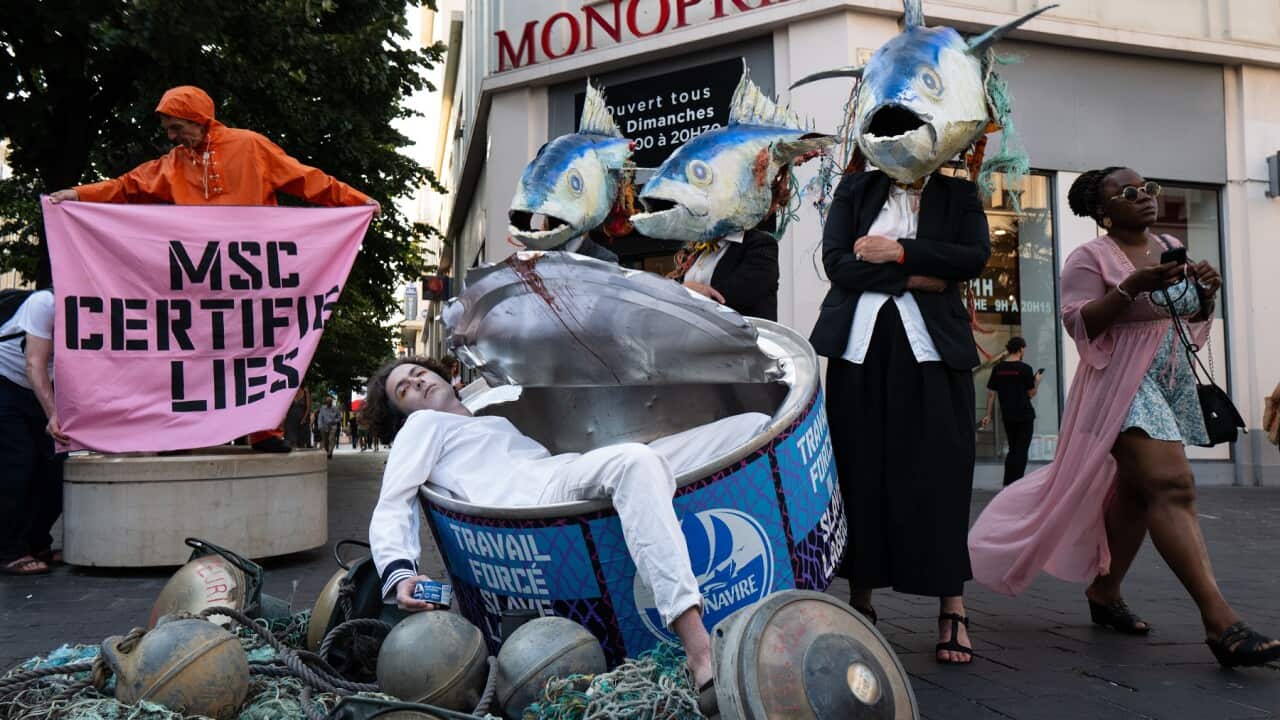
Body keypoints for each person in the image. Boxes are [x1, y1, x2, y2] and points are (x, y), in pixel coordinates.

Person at [968, 167, 1279, 668]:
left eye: (1149, 189)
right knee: (1173, 484)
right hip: (1121, 383)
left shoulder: (1168, 241)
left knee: (1138, 491)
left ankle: (1105, 591)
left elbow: (1189, 315)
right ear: (1103, 211)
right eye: (1128, 193)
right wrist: (1131, 286)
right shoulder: (1087, 257)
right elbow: (1078, 323)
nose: (1145, 198)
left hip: (1166, 377)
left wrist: (1208, 292)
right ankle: (1222, 624)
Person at [360, 356, 768, 712]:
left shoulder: (489, 418)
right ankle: (700, 651)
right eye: (404, 390)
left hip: (565, 470)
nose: (416, 382)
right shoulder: (422, 426)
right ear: (402, 413)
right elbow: (393, 501)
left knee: (750, 427)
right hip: (538, 502)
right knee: (635, 462)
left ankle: (775, 598)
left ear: (443, 375)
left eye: (417, 373)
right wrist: (400, 570)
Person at [48, 85, 378, 453]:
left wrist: (356, 201)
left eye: (176, 127)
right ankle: (183, 433)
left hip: (251, 274)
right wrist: (79, 195)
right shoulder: (173, 163)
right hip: (198, 280)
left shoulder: (251, 146)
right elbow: (128, 187)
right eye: (169, 130)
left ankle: (264, 432)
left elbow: (306, 179)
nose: (172, 137)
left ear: (199, 119)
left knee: (259, 344)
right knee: (190, 351)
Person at [808, 169, 990, 664]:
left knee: (941, 472)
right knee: (857, 469)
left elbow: (973, 257)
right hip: (859, 347)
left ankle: (952, 606)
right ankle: (860, 600)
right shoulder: (856, 189)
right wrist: (915, 277)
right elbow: (838, 263)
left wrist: (899, 250)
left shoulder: (959, 193)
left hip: (934, 350)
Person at [0, 289, 69, 575]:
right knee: (18, 465)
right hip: (6, 380)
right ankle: (8, 550)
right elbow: (35, 364)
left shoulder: (102, 309)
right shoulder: (46, 303)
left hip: (43, 387)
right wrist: (53, 413)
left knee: (55, 469)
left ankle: (37, 541)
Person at [673, 224, 780, 321]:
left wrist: (690, 293)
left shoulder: (761, 243)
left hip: (739, 338)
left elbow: (737, 294)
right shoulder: (701, 247)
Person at [981, 337, 1044, 486]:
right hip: (1024, 416)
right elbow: (1031, 394)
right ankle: (1015, 486)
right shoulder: (1025, 369)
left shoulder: (998, 368)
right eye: (1024, 349)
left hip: (1008, 416)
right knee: (1021, 451)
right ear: (1021, 349)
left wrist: (988, 415)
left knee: (1013, 450)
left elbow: (991, 394)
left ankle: (1008, 484)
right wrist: (1037, 381)